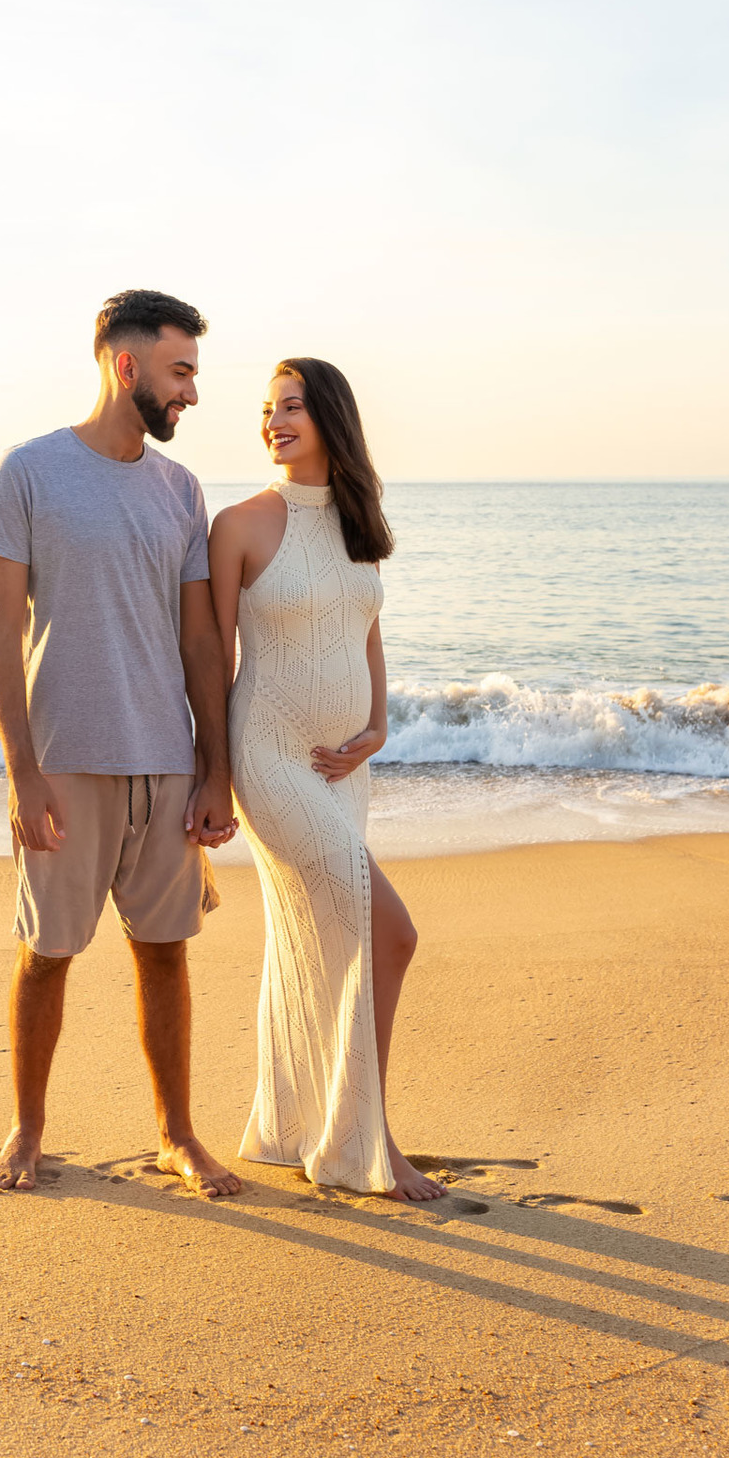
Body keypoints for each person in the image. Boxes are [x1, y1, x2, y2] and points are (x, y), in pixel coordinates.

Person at [0, 288, 241, 1198]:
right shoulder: (31, 472)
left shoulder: (180, 489)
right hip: (65, 760)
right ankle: (27, 1129)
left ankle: (177, 1135)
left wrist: (217, 769)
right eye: (181, 372)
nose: (192, 395)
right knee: (46, 952)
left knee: (166, 950)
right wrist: (22, 773)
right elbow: (1, 633)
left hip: (165, 763)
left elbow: (203, 640)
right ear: (127, 367)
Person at [208, 359, 446, 1203]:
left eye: (292, 406)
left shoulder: (355, 521)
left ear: (332, 417)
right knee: (393, 933)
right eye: (268, 409)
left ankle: (299, 1125)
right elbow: (213, 661)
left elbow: (366, 630)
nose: (274, 421)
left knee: (336, 938)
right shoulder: (239, 524)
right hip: (271, 760)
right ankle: (359, 1141)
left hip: (347, 766)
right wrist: (210, 775)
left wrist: (378, 726)